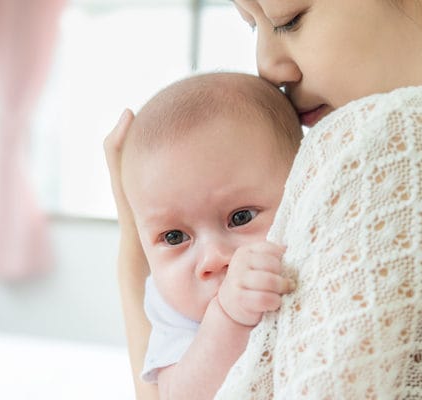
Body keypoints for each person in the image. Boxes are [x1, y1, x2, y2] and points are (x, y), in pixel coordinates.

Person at [104, 0, 422, 399]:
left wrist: (131, 250)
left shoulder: (388, 138)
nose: (267, 67)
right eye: (253, 27)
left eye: (290, 19)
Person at [120, 72, 301, 399]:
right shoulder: (170, 309)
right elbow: (178, 395)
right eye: (174, 237)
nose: (213, 259)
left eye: (240, 218)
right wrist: (228, 318)